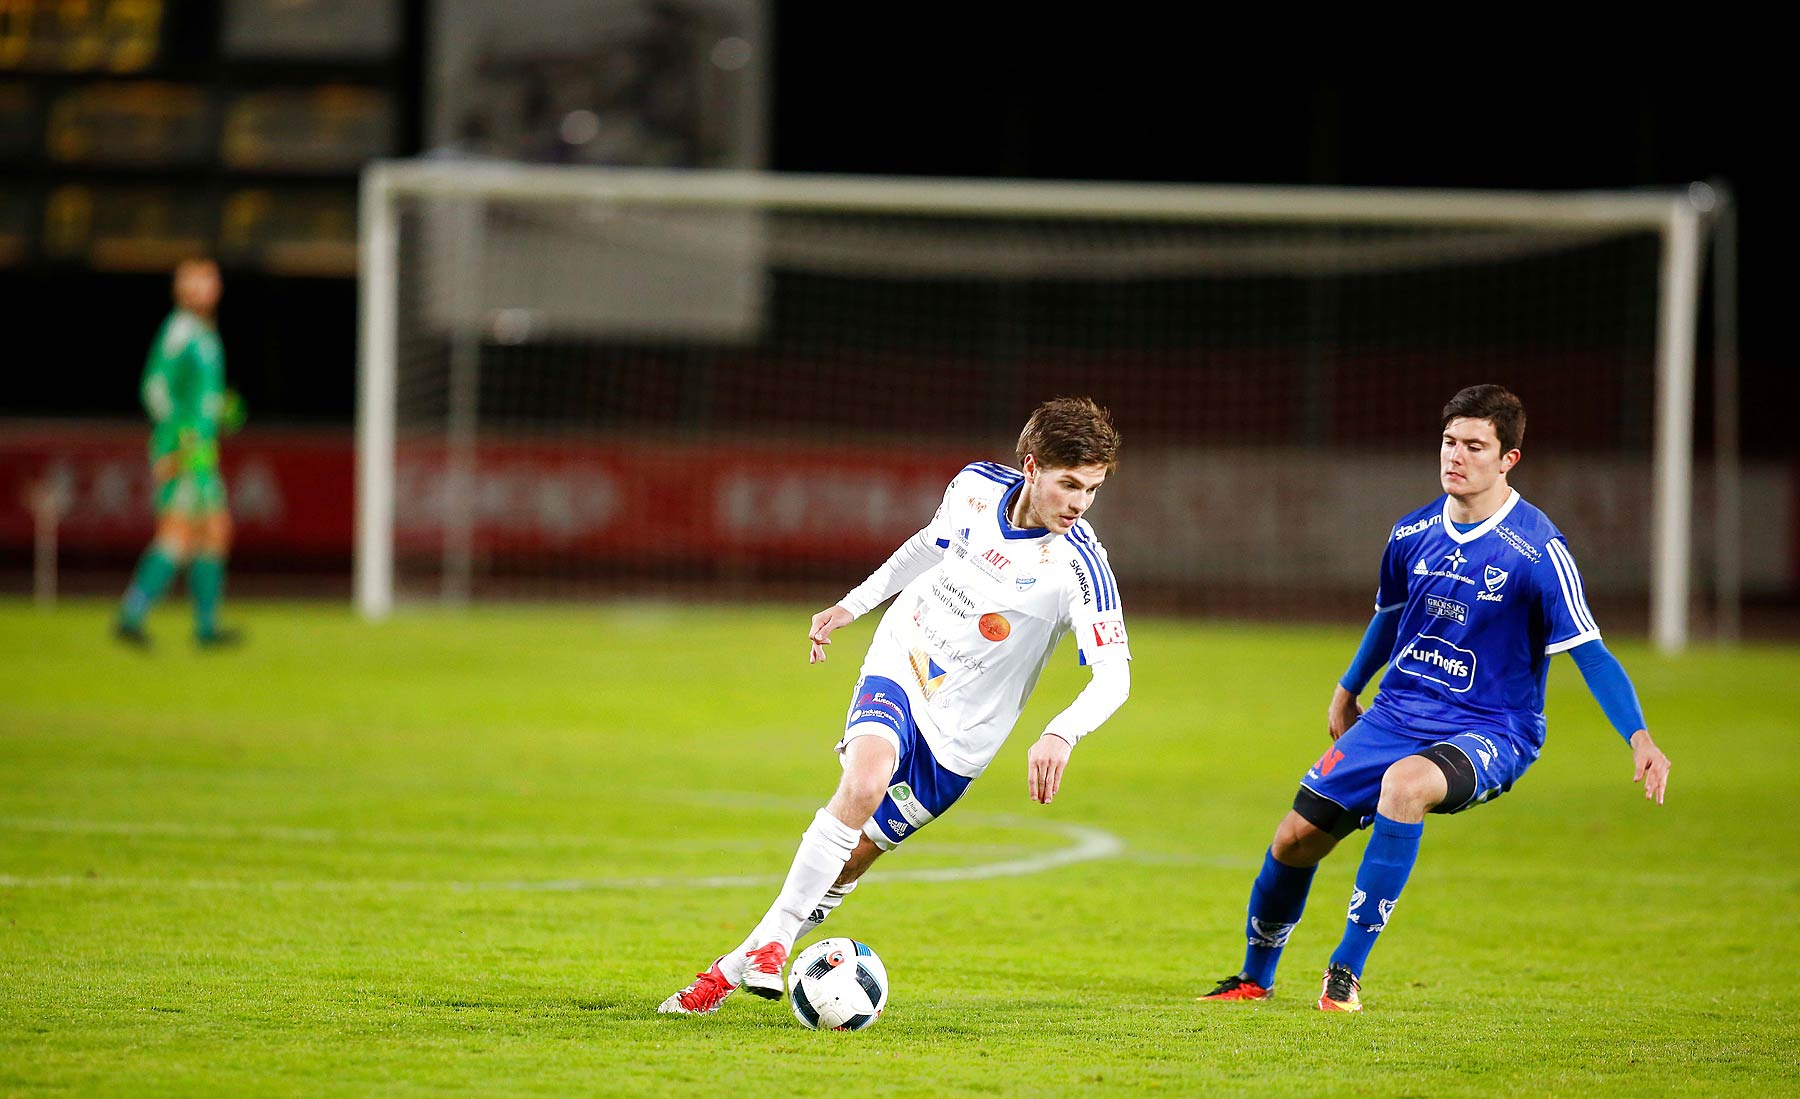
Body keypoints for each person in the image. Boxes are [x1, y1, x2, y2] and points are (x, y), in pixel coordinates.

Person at [1198, 385, 1671, 1013]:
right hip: (1396, 713)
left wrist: (1638, 736)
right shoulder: (1412, 532)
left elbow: (1590, 652)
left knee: (1405, 786)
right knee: (1293, 840)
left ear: (1509, 459)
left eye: (1475, 446)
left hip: (1493, 728)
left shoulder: (1538, 551)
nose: (1456, 456)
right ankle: (1256, 978)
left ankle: (1345, 972)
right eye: (1450, 441)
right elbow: (1388, 618)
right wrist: (1347, 688)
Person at [660, 397, 1131, 1014]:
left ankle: (725, 973)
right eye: (1069, 484)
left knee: (848, 864)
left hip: (965, 735)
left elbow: (1113, 678)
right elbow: (927, 547)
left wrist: (1061, 732)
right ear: (1032, 465)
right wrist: (853, 606)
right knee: (866, 778)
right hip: (906, 657)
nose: (1079, 503)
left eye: (1092, 490)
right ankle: (775, 943)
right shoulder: (974, 486)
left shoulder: (1079, 565)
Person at [114, 259, 243, 648]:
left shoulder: (205, 333)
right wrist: (176, 437)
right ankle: (131, 614)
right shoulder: (179, 331)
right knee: (177, 533)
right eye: (201, 281)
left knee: (215, 531)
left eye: (212, 280)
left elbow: (197, 395)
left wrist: (221, 409)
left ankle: (205, 627)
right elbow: (154, 388)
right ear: (184, 289)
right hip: (185, 449)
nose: (210, 286)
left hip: (202, 449)